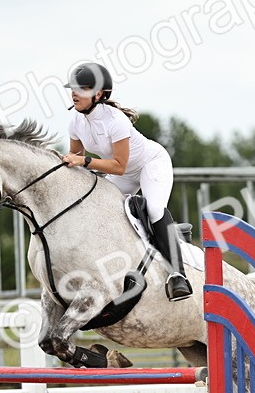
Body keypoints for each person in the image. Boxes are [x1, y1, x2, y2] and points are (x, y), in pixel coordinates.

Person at [60, 62, 192, 301]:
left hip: (150, 164)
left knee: (153, 208)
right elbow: (76, 159)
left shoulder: (116, 120)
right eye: (73, 89)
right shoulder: (75, 121)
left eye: (82, 89)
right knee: (97, 210)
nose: (74, 93)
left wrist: (84, 162)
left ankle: (178, 275)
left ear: (98, 94)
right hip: (125, 172)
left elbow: (118, 166)